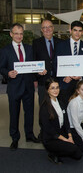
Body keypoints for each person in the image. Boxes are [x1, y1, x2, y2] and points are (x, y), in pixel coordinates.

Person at [0, 23, 39, 151]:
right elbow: (1, 67)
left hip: (28, 86)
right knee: (14, 113)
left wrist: (38, 72)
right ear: (11, 34)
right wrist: (7, 73)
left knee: (29, 113)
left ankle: (29, 135)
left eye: (21, 33)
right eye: (16, 33)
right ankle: (15, 138)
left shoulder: (29, 48)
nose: (19, 36)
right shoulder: (5, 50)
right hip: (14, 87)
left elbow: (33, 66)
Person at [39, 77, 82, 164]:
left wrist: (70, 136)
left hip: (62, 132)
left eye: (57, 87)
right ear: (47, 90)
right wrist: (66, 140)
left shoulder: (61, 102)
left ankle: (65, 148)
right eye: (52, 88)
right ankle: (53, 153)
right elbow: (49, 130)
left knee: (80, 147)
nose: (56, 90)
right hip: (51, 138)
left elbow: (66, 122)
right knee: (76, 152)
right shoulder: (44, 107)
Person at [54, 20, 83, 107]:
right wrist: (63, 77)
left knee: (80, 110)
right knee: (65, 110)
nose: (77, 33)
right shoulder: (61, 45)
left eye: (80, 30)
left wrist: (81, 76)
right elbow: (55, 64)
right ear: (70, 31)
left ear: (82, 32)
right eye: (75, 30)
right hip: (65, 84)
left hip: (80, 85)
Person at [33, 19, 62, 105]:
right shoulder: (36, 43)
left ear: (53, 28)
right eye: (44, 27)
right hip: (43, 80)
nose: (47, 29)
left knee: (58, 106)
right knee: (43, 106)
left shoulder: (61, 43)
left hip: (58, 80)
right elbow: (34, 60)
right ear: (41, 30)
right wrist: (36, 75)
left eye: (49, 27)